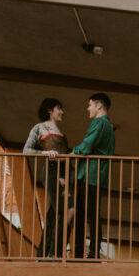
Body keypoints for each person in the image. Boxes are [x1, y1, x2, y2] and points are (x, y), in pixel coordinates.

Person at [23, 97, 70, 258]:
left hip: (65, 174)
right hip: (51, 171)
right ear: (50, 110)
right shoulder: (39, 127)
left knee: (52, 215)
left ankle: (42, 254)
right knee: (66, 210)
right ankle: (54, 254)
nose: (62, 112)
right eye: (59, 108)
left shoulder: (60, 131)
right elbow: (26, 150)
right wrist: (45, 153)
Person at [71, 92, 115, 259]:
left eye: (90, 105)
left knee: (87, 214)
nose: (87, 109)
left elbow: (86, 146)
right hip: (94, 175)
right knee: (88, 213)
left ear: (99, 106)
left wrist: (71, 154)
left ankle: (88, 252)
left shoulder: (100, 123)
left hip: (90, 175)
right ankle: (88, 251)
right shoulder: (108, 126)